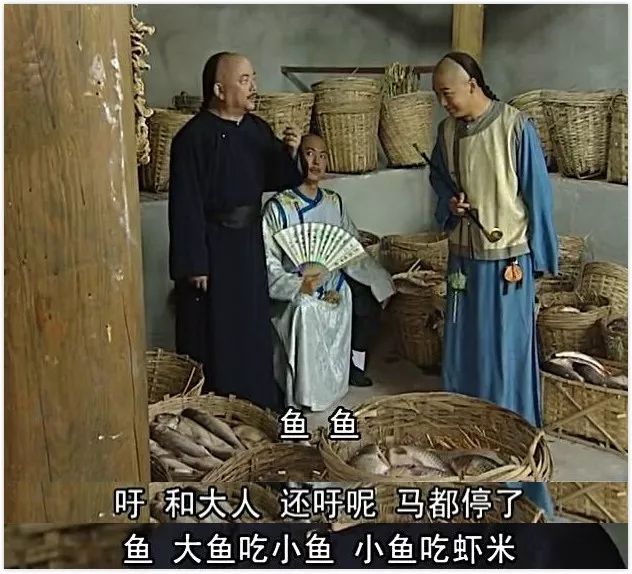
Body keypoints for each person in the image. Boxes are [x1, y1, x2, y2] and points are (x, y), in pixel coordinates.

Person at [428, 52, 559, 514]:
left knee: (505, 360)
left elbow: (537, 196)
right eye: (439, 96)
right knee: (462, 355)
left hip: (507, 267)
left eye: (448, 93)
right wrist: (451, 205)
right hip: (463, 265)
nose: (444, 104)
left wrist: (542, 260)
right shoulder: (446, 133)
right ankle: (465, 454)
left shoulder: (515, 127)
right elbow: (439, 180)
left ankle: (510, 460)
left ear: (473, 84)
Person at [168, 52, 303, 413]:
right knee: (215, 331)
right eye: (244, 80)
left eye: (252, 78)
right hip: (213, 247)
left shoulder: (257, 130)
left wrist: (289, 153)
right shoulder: (192, 138)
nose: (253, 86)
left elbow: (278, 179)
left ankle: (255, 404)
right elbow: (185, 206)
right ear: (219, 90)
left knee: (251, 325)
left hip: (247, 244)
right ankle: (215, 409)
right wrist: (195, 264)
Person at [262, 134, 395, 412]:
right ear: (298, 157)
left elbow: (350, 247)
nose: (316, 162)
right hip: (295, 289)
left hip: (333, 282)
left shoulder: (334, 202)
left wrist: (378, 279)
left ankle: (352, 367)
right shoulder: (278, 207)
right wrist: (297, 285)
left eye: (322, 156)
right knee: (305, 309)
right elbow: (268, 261)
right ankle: (306, 392)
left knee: (366, 296)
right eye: (309, 154)